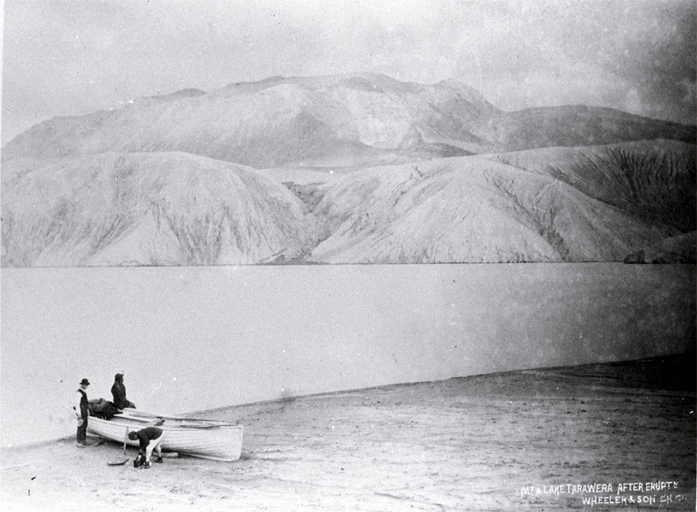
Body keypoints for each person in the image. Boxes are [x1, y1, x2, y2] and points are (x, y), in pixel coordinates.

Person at [73, 378, 90, 447]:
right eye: (85, 385)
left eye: (86, 385)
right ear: (82, 385)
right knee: (80, 426)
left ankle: (83, 440)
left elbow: (86, 403)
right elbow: (77, 404)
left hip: (84, 411)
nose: (86, 386)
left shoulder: (84, 392)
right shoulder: (79, 393)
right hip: (81, 411)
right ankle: (78, 441)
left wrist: (87, 411)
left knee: (85, 425)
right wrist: (79, 413)